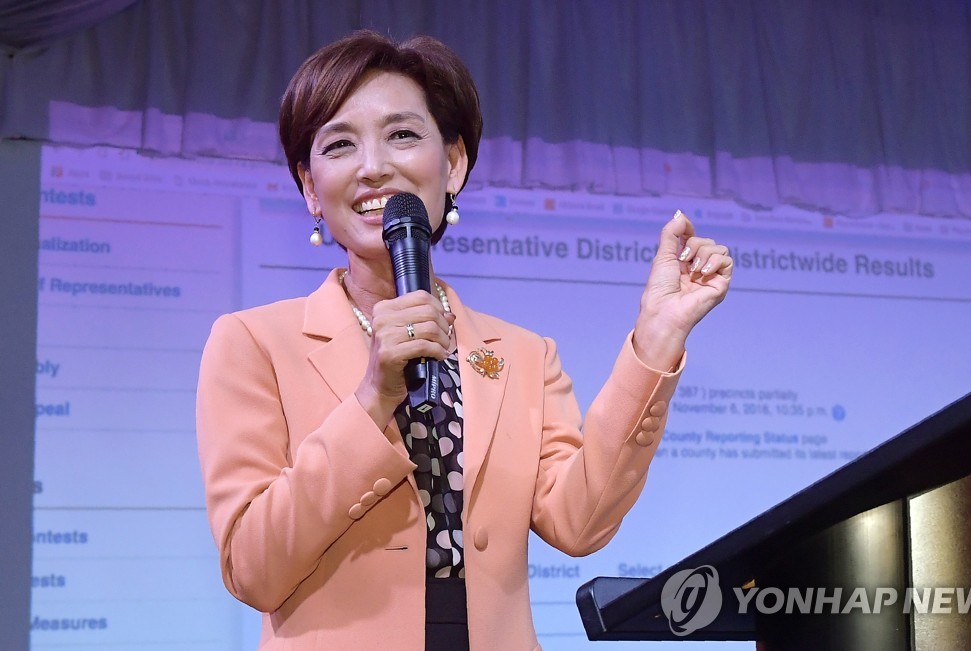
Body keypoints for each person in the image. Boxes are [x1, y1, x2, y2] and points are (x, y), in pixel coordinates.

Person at [196, 30, 732, 651]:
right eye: (339, 144)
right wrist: (372, 400)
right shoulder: (253, 343)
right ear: (310, 187)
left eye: (402, 135)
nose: (373, 166)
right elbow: (253, 568)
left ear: (453, 163)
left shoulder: (523, 355)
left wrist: (657, 339)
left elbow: (579, 522)